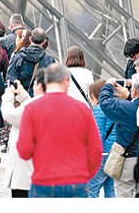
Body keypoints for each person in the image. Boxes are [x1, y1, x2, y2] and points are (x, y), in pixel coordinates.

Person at [17, 63, 103, 198]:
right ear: (66, 81)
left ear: (45, 81)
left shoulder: (32, 109)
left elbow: (24, 150)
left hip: (44, 181)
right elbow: (96, 150)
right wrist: (86, 174)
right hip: (76, 181)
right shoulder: (82, 109)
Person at [0, 69, 47, 198]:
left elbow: (10, 114)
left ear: (39, 86)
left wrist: (8, 96)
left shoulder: (35, 105)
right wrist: (23, 96)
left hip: (25, 172)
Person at [98, 73, 139, 197]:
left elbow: (105, 102)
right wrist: (129, 96)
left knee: (124, 196)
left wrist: (108, 85)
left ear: (134, 90)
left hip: (128, 159)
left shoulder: (126, 108)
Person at [87, 79, 117, 198]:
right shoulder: (117, 107)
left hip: (102, 155)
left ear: (95, 95)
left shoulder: (99, 109)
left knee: (91, 189)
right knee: (110, 189)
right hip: (114, 155)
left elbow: (97, 135)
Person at [7, 27, 55, 96]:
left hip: (21, 98)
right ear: (44, 41)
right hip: (41, 99)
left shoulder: (17, 56)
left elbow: (10, 78)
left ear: (30, 39)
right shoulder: (50, 60)